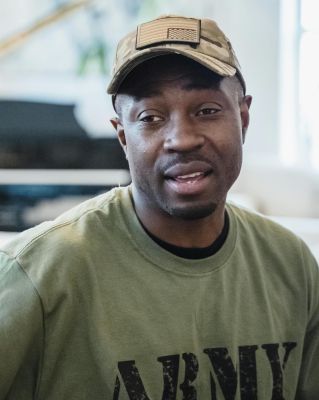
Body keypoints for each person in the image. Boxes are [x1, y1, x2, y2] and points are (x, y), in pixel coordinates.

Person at [0, 14, 318, 400]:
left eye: (207, 111)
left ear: (244, 117)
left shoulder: (291, 263)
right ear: (122, 135)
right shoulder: (37, 273)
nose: (181, 140)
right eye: (150, 117)